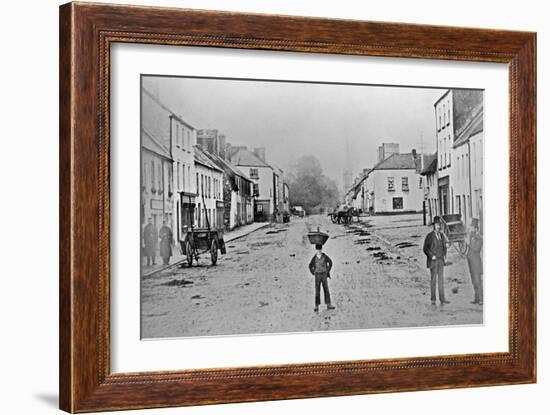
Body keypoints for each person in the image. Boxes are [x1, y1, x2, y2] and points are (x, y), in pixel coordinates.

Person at [423, 216, 450, 306]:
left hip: (441, 260)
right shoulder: (429, 236)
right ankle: (433, 299)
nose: (439, 226)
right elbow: (425, 249)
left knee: (441, 280)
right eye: (437, 225)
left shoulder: (442, 236)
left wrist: (446, 245)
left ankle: (442, 299)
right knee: (433, 280)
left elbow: (445, 245)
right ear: (434, 226)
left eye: (440, 225)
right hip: (433, 261)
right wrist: (431, 256)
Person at [308, 244, 335, 312]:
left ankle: (328, 304)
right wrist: (312, 272)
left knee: (326, 289)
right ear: (316, 250)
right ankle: (316, 305)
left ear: (321, 249)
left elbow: (330, 262)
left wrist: (327, 270)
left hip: (324, 275)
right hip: (317, 275)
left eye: (320, 250)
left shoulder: (325, 256)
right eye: (318, 250)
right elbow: (310, 265)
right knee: (317, 290)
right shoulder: (314, 258)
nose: (319, 251)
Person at [465, 218, 483, 305]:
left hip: (476, 263)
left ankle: (481, 299)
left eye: (471, 227)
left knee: (478, 281)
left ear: (476, 229)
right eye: (470, 227)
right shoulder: (471, 237)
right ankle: (476, 299)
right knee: (473, 281)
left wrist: (469, 243)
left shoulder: (479, 238)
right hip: (471, 263)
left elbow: (476, 249)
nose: (470, 229)